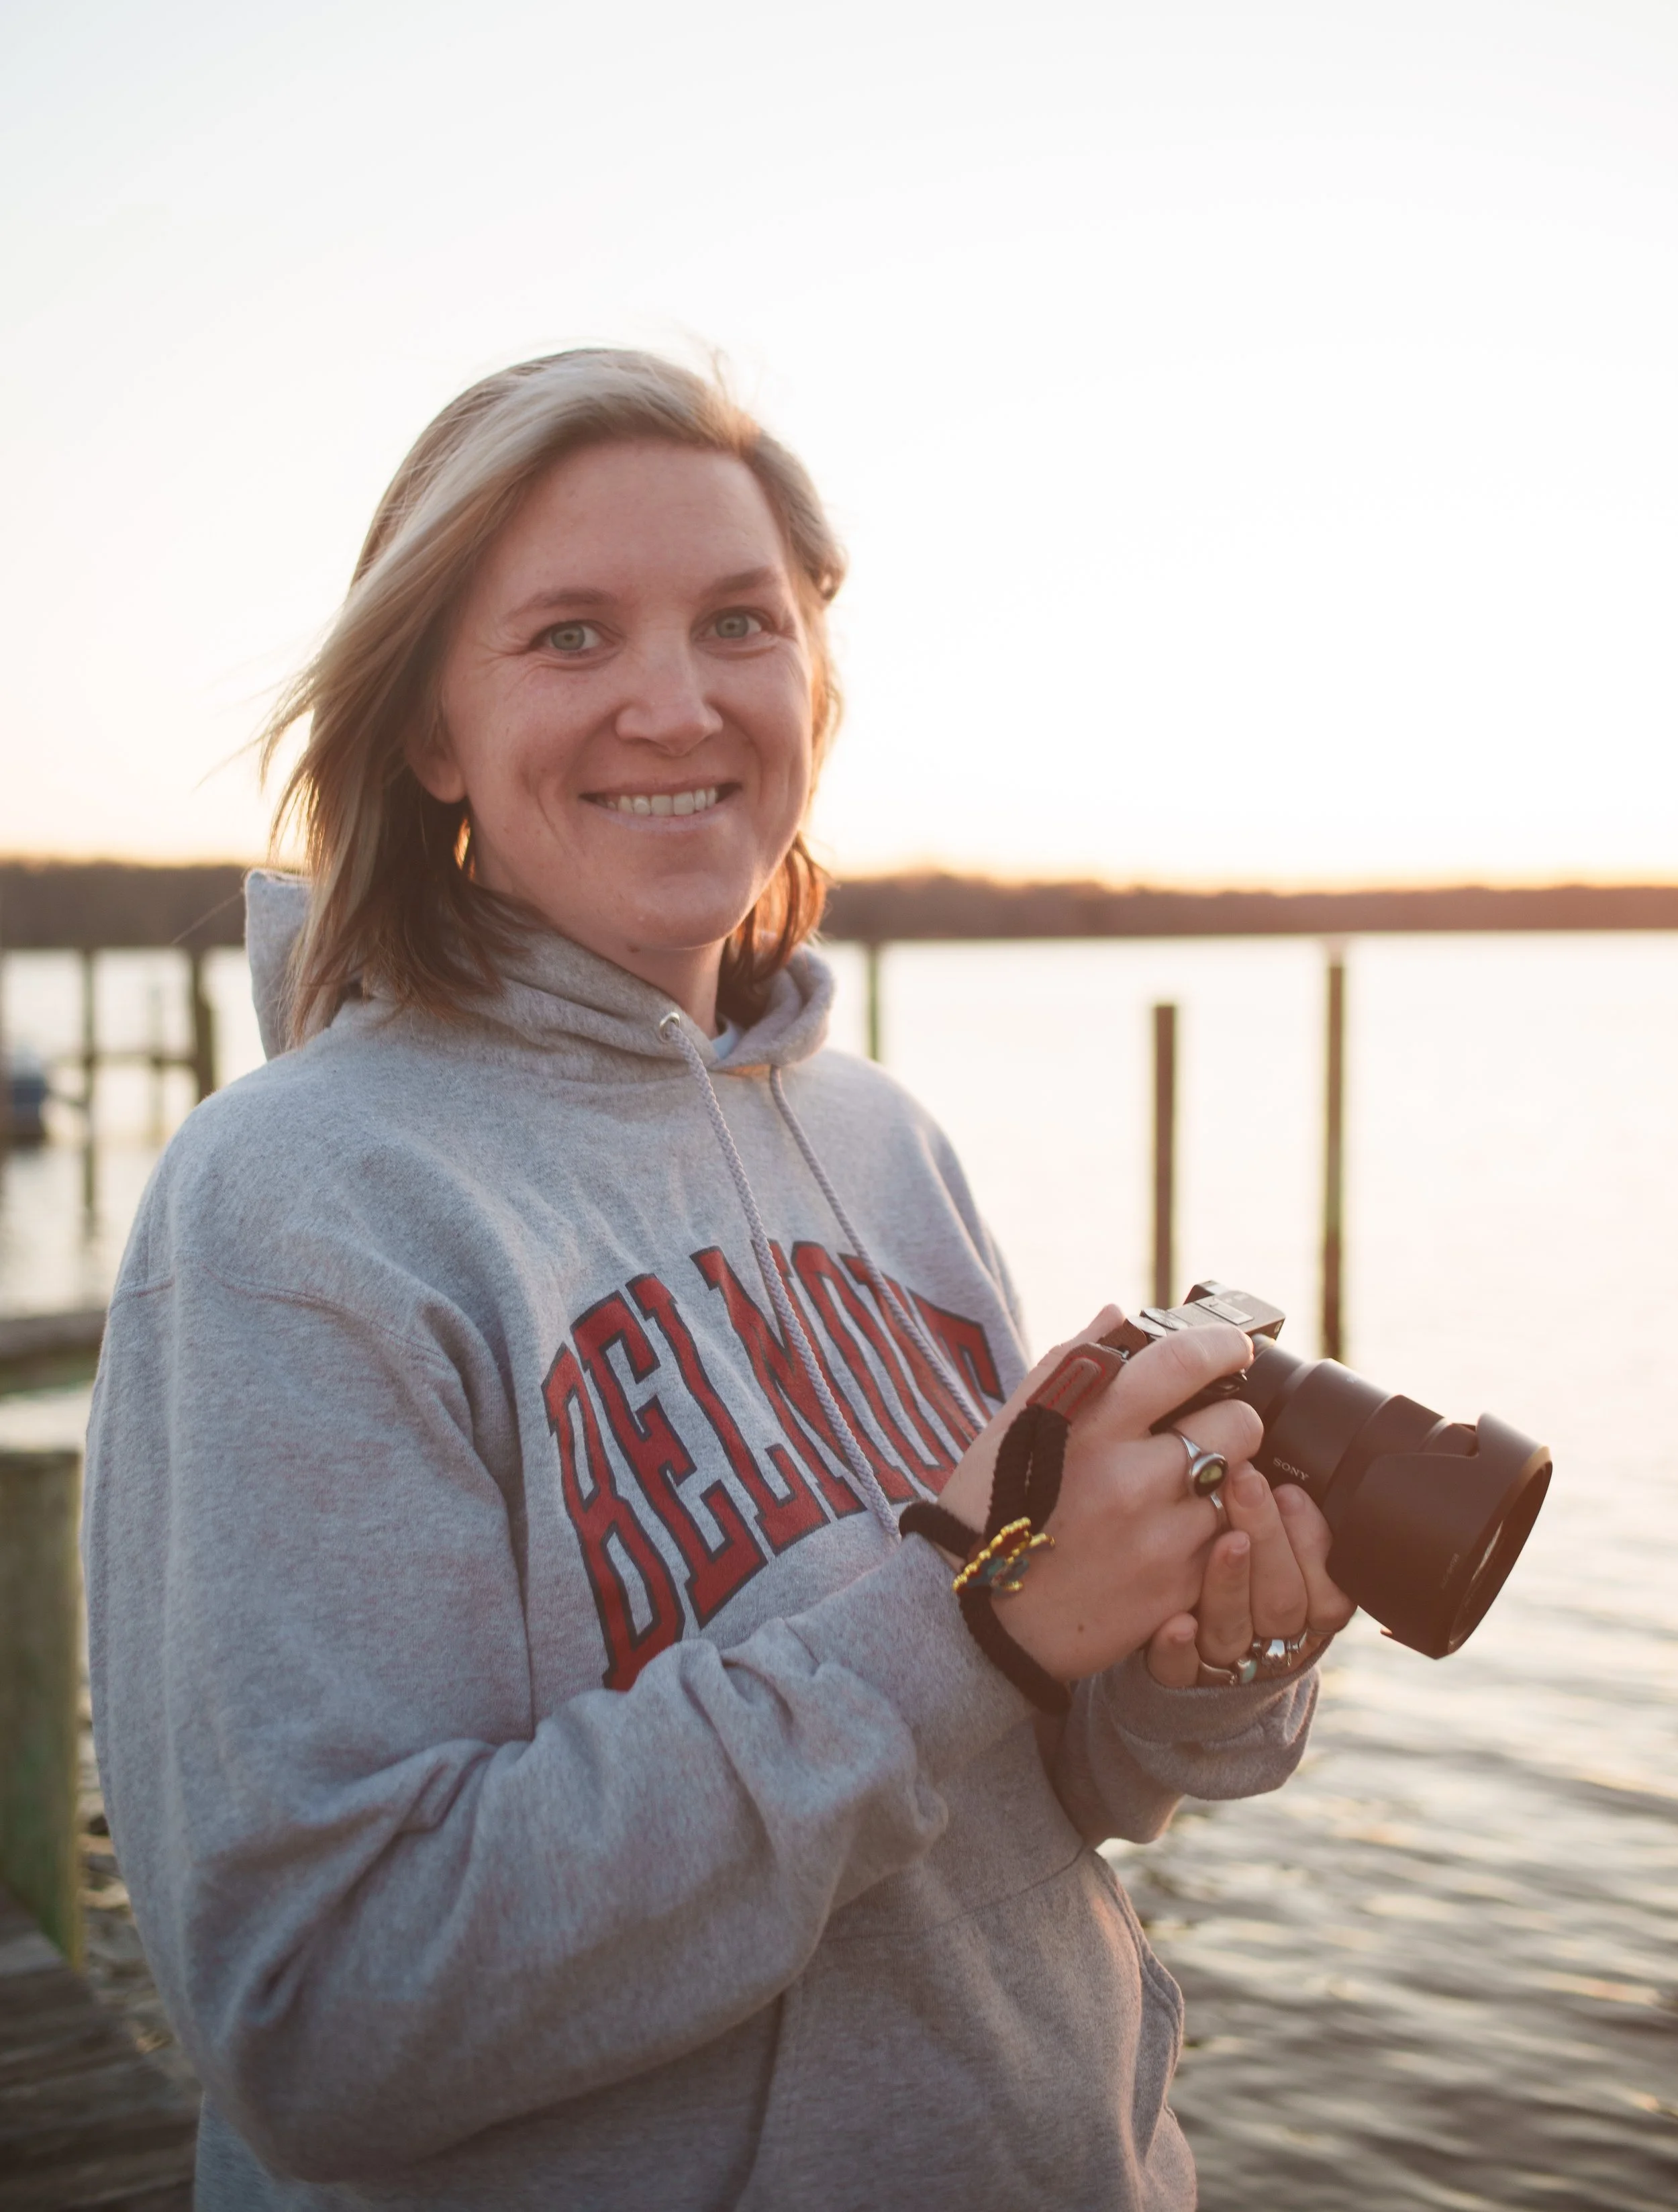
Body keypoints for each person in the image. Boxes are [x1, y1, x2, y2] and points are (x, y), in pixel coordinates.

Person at [83, 348, 1353, 2210]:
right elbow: (325, 2015)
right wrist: (971, 1617)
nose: (672, 705)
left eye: (736, 623)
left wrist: (1197, 1652)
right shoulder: (296, 1200)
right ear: (429, 730)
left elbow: (1022, 1781)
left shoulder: (882, 1142)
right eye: (572, 636)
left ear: (812, 687)